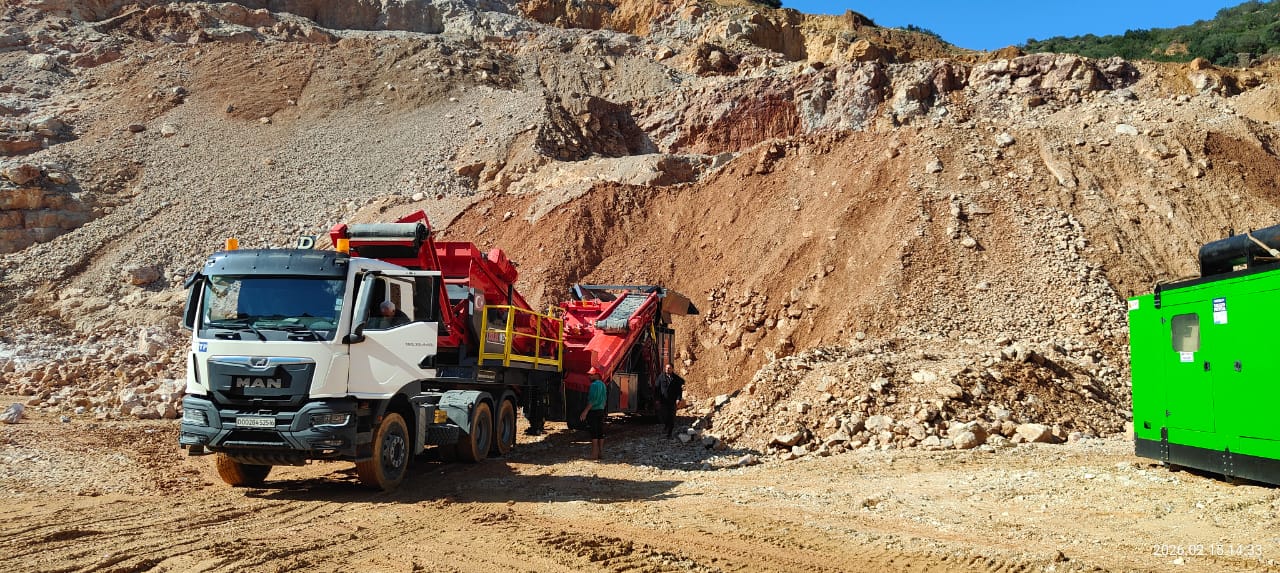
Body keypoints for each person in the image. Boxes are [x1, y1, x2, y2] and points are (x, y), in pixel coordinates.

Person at [579, 369, 607, 460]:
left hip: (594, 411)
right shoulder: (603, 385)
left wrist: (585, 412)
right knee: (600, 431)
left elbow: (592, 400)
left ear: (597, 375)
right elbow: (605, 399)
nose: (589, 376)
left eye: (591, 375)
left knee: (594, 432)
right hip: (601, 410)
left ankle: (594, 454)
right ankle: (601, 452)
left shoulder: (593, 385)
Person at [656, 363, 685, 439]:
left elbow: (679, 389)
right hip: (663, 401)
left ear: (672, 369)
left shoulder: (676, 378)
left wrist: (678, 398)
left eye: (669, 368)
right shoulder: (661, 377)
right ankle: (666, 425)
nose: (667, 369)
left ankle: (669, 433)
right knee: (664, 416)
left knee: (671, 417)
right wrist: (657, 399)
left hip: (672, 401)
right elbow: (657, 388)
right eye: (666, 368)